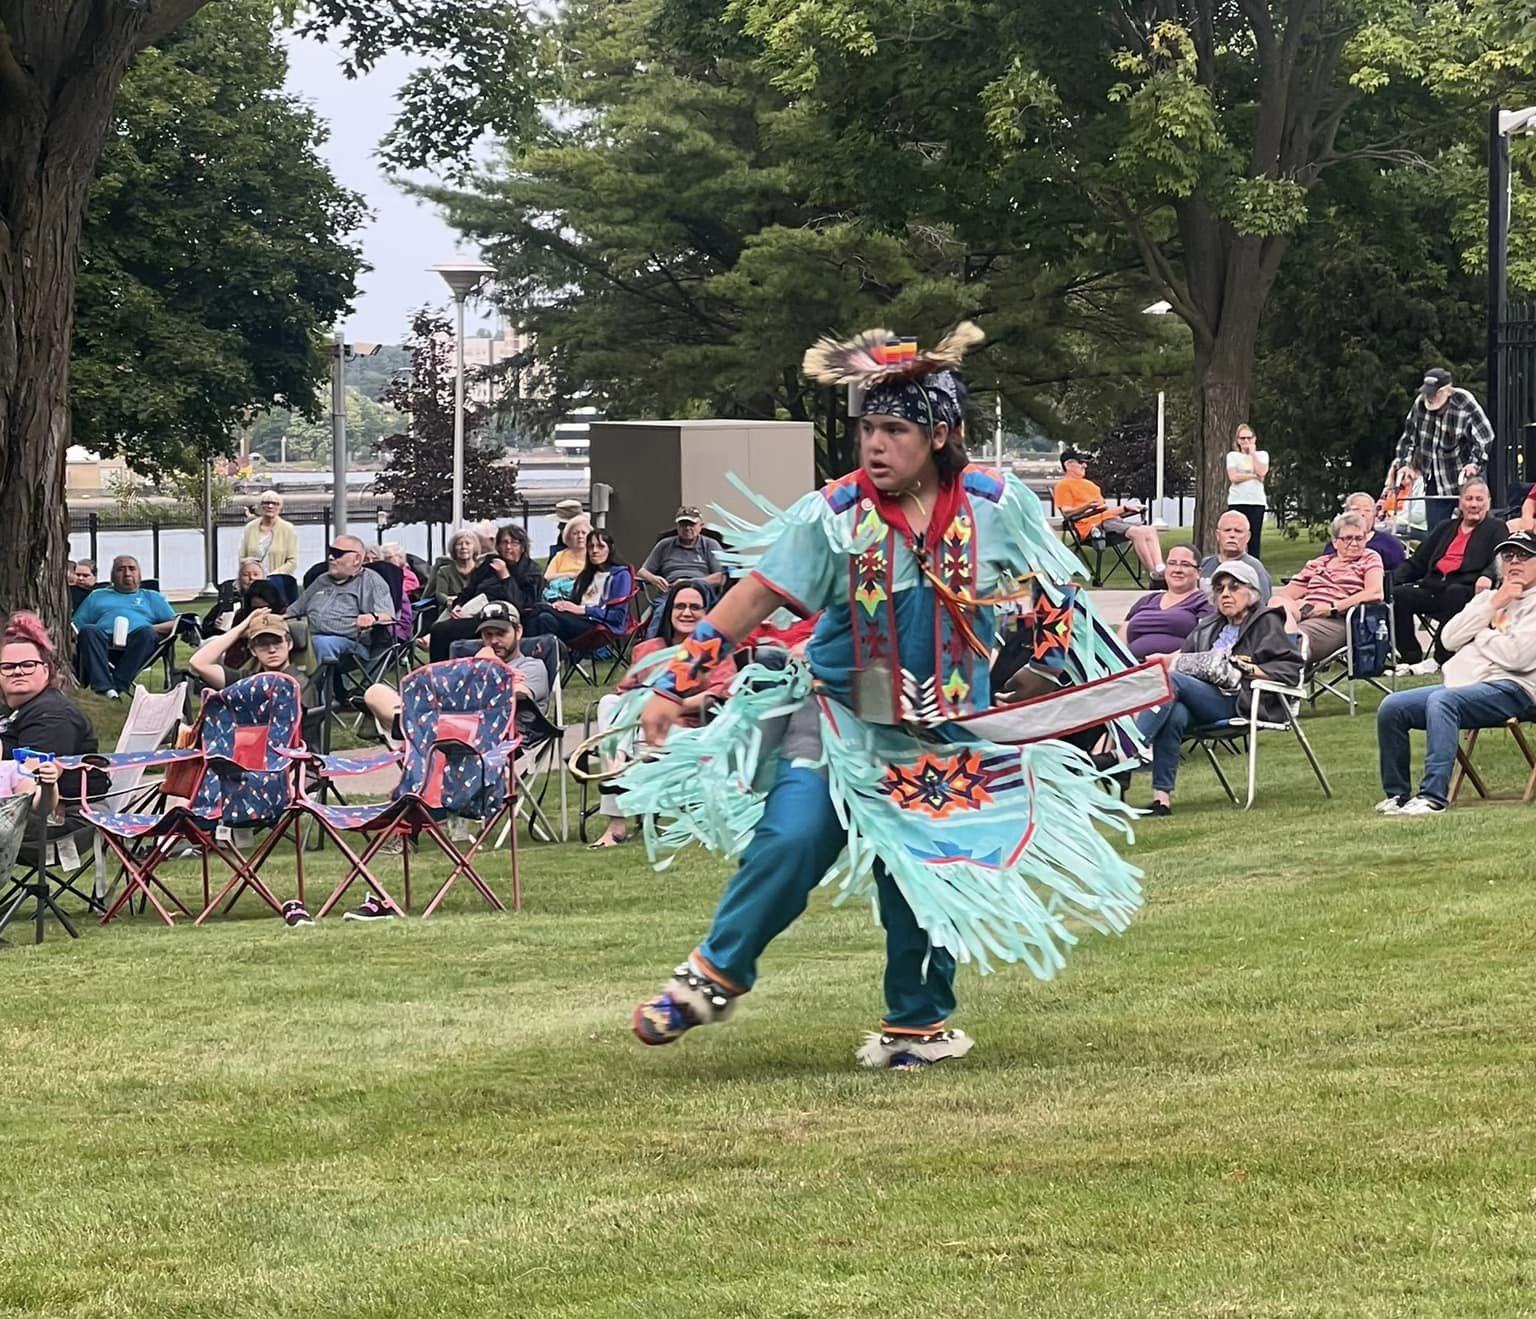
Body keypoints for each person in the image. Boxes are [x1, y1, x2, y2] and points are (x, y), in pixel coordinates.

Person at [616, 322, 1148, 1069]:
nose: (874, 444)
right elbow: (754, 596)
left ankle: (918, 1025)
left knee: (925, 873)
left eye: (894, 430)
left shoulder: (996, 505)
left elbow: (1057, 587)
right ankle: (713, 977)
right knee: (793, 835)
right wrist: (679, 679)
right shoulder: (835, 513)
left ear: (940, 434)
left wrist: (1046, 666)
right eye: (868, 428)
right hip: (840, 714)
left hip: (945, 732)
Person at [1375, 531, 1536, 816]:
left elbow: (1517, 658)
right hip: (1467, 684)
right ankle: (1398, 794)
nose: (1514, 562)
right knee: (1392, 706)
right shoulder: (1489, 598)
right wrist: (1493, 605)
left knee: (1444, 701)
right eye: (1508, 555)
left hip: (1516, 690)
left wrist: (1478, 635)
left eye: (1524, 556)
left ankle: (1432, 797)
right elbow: (1448, 639)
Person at [1133, 560, 1303, 817]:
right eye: (1220, 588)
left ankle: (1129, 751)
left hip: (1240, 699)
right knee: (1175, 713)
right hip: (1202, 699)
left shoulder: (1267, 622)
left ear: (1252, 592)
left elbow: (1289, 670)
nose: (1225, 594)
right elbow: (1185, 660)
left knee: (1171, 681)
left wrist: (1244, 668)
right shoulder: (1209, 625)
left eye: (1234, 587)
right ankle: (1161, 801)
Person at [588, 580, 731, 849]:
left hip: (688, 732)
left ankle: (616, 799)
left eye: (695, 607)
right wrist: (641, 705)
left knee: (631, 726)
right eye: (679, 606)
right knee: (608, 702)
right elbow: (624, 694)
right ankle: (616, 769)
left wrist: (668, 704)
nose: (686, 612)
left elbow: (718, 695)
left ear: (707, 613)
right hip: (638, 730)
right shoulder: (646, 649)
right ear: (668, 611)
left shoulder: (712, 649)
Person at [362, 601, 548, 755]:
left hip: (495, 739)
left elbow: (515, 695)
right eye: (488, 635)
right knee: (375, 692)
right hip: (445, 727)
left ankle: (412, 731)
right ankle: (413, 728)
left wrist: (493, 667)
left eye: (501, 634)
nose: (493, 641)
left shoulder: (532, 666)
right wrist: (480, 667)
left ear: (518, 632)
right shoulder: (470, 665)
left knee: (428, 725)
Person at [1389, 479, 1507, 675]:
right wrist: (1389, 580)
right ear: (1460, 502)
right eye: (1469, 499)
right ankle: (1410, 657)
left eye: (1479, 499)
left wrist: (1487, 575)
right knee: (1399, 595)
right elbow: (1418, 562)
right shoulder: (1445, 527)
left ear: (1488, 503)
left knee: (1455, 592)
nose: (1474, 504)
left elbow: (1501, 558)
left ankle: (1441, 658)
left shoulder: (1496, 527)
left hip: (1468, 591)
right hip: (1434, 587)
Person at [0, 612, 107, 813]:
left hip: (66, 815)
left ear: (46, 670)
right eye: (8, 666)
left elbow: (32, 783)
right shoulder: (14, 710)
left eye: (28, 665)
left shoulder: (53, 715)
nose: (17, 671)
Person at [1388, 366, 1494, 531]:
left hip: (1463, 476)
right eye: (1428, 393)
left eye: (1434, 394)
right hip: (1434, 479)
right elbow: (1408, 438)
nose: (1430, 398)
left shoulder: (1464, 402)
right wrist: (1405, 464)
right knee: (1436, 531)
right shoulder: (1420, 404)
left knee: (1472, 527)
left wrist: (1474, 463)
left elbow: (1485, 436)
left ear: (1447, 391)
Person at [1269, 512, 1384, 659]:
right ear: (1335, 542)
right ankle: (1284, 651)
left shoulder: (1369, 558)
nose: (1354, 543)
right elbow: (1286, 594)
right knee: (1275, 602)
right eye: (1348, 538)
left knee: (1291, 637)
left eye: (1359, 538)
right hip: (1304, 614)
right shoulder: (1319, 563)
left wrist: (1332, 608)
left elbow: (1375, 592)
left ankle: (1287, 655)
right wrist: (1299, 606)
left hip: (1336, 620)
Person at [427, 524, 545, 662]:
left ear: (523, 547)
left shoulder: (531, 570)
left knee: (443, 631)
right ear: (498, 546)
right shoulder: (490, 564)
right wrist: (458, 604)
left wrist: (505, 576)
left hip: (507, 620)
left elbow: (524, 604)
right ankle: (439, 670)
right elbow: (470, 589)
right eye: (504, 542)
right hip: (479, 614)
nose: (508, 547)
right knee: (439, 629)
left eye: (514, 543)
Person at [72, 555, 177, 698]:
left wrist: (153, 628)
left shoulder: (152, 597)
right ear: (112, 576)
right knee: (88, 631)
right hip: (103, 644)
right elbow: (77, 625)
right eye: (120, 569)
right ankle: (104, 688)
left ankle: (117, 686)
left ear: (139, 575)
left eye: (132, 569)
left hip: (139, 644)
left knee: (147, 633)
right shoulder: (97, 596)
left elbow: (174, 623)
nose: (127, 573)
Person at [1053, 449, 1166, 581]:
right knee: (1138, 532)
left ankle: (1160, 568)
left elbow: (1103, 511)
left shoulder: (1091, 486)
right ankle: (1154, 575)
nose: (1085, 465)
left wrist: (1125, 508)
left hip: (1108, 521)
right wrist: (1087, 506)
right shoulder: (1063, 485)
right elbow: (1067, 512)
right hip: (1093, 528)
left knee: (1150, 530)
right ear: (1068, 465)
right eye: (1080, 462)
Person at [283, 535, 394, 666]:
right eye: (330, 552)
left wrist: (372, 617)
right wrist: (273, 619)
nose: (330, 557)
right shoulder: (322, 580)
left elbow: (388, 615)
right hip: (311, 637)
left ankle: (324, 680)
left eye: (338, 553)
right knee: (275, 640)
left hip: (352, 645)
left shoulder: (371, 581)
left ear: (357, 559)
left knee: (322, 643)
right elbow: (294, 610)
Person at [525, 530, 633, 643]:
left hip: (599, 624)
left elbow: (617, 616)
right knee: (544, 618)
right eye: (591, 547)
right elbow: (576, 602)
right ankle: (550, 653)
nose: (595, 550)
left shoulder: (621, 576)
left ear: (610, 549)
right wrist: (564, 605)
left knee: (540, 608)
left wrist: (583, 610)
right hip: (578, 619)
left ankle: (522, 650)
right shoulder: (587, 575)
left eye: (600, 546)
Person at [1119, 544, 1212, 662]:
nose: (1177, 570)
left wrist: (1168, 660)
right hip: (1133, 666)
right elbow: (1119, 642)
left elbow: (1203, 643)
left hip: (1175, 668)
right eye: (1172, 563)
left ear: (1198, 572)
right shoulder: (1147, 601)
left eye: (1185, 564)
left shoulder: (1204, 602)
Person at [637, 506, 727, 593]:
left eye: (691, 524)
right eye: (683, 524)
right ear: (677, 526)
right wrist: (654, 579)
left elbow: (721, 577)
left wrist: (688, 583)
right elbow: (642, 572)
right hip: (670, 593)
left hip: (701, 592)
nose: (687, 528)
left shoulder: (711, 545)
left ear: (701, 526)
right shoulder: (664, 544)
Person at [1198, 510, 1273, 604]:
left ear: (1248, 537)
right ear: (1218, 535)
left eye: (1238, 531)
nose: (1232, 535)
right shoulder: (1204, 565)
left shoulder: (1256, 569)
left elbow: (1263, 606)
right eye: (1227, 530)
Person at [1321, 492, 1408, 572]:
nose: (1362, 513)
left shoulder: (1390, 543)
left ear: (1374, 514)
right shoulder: (1336, 543)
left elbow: (1399, 576)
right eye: (1356, 509)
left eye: (1367, 510)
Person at [1226, 423, 1269, 556]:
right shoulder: (1233, 456)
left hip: (1256, 502)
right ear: (1238, 440)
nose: (1246, 441)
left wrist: (1252, 454)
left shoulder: (1262, 455)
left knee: (1254, 539)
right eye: (1242, 438)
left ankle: (1254, 565)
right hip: (1237, 501)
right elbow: (1233, 477)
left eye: (1249, 438)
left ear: (1254, 439)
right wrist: (1253, 475)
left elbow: (1262, 471)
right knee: (1237, 538)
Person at [237, 490, 299, 576]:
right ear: (260, 506)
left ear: (280, 507)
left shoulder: (288, 529)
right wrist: (250, 568)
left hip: (277, 580)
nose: (270, 506)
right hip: (253, 581)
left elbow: (292, 562)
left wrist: (272, 576)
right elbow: (241, 558)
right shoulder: (250, 527)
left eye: (274, 503)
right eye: (266, 503)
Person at [428, 529, 481, 608]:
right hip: (451, 609)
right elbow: (440, 595)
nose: (463, 547)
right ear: (453, 548)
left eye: (468, 543)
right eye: (459, 544)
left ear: (474, 547)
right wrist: (450, 602)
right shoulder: (444, 571)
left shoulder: (482, 569)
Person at [543, 514, 591, 592]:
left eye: (584, 533)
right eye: (575, 533)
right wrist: (570, 575)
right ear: (568, 537)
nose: (580, 536)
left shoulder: (593, 555)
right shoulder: (560, 555)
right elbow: (547, 577)